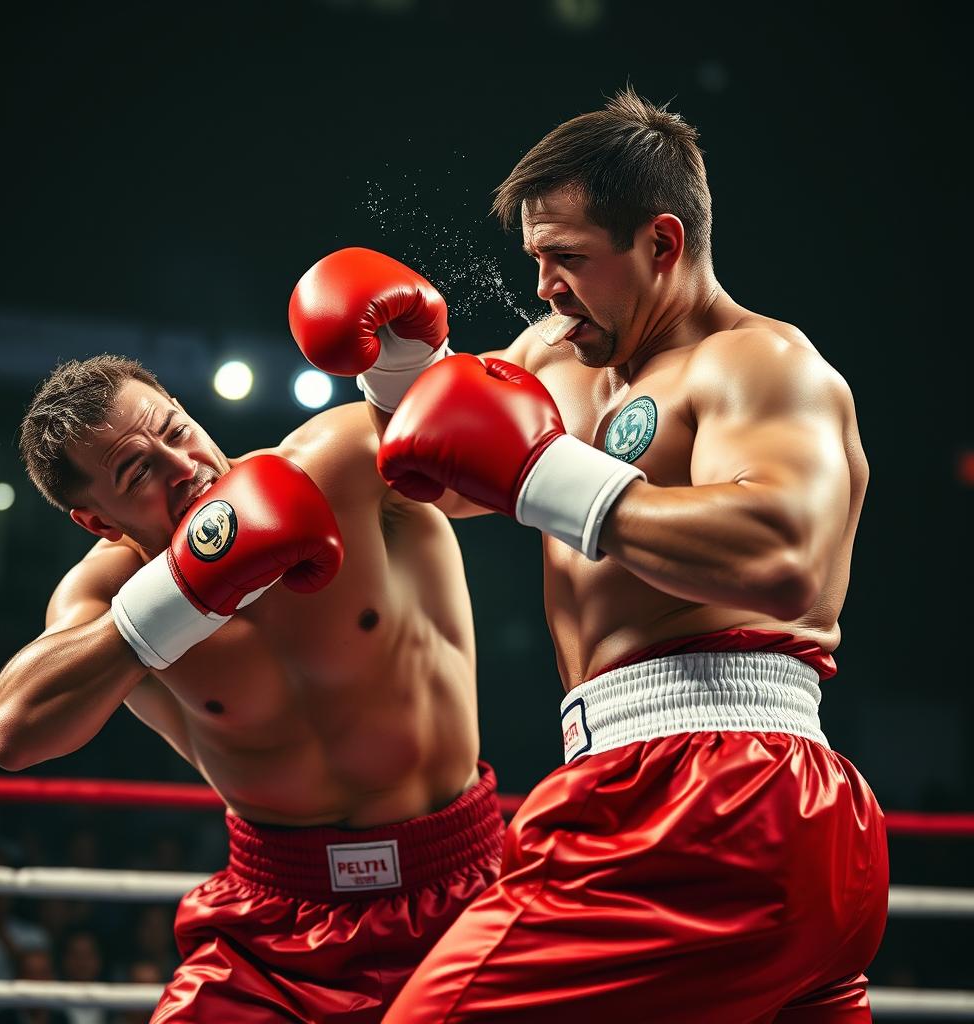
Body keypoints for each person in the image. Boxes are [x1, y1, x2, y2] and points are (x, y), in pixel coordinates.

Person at [367, 87, 887, 1021]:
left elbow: (785, 555)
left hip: (715, 786)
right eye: (534, 259)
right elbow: (440, 478)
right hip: (683, 794)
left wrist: (550, 479)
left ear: (661, 243)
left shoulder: (759, 363)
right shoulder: (559, 358)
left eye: (567, 258)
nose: (543, 288)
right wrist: (391, 377)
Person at [0, 352, 503, 1022]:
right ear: (97, 521)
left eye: (175, 431)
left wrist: (414, 361)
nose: (183, 467)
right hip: (275, 926)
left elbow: (501, 460)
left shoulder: (333, 464)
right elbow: (13, 733)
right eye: (138, 472)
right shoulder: (105, 595)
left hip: (462, 893)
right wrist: (179, 596)